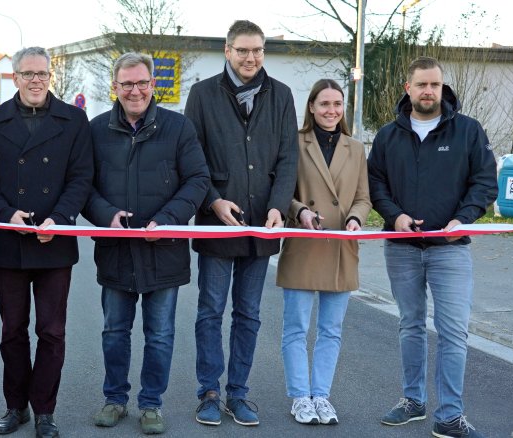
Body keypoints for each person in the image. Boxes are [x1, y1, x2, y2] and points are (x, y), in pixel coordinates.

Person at [368, 56, 497, 438]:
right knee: (410, 325)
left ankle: (450, 416)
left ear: (443, 88)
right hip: (402, 247)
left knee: (453, 332)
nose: (429, 91)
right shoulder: (388, 135)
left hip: (450, 248)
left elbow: (485, 181)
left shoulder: (468, 131)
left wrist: (465, 217)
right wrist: (395, 216)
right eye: (422, 85)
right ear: (408, 89)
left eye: (435, 85)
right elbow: (376, 184)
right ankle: (413, 401)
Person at [0, 46, 94, 438]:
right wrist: (7, 214)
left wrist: (60, 218)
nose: (35, 80)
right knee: (12, 330)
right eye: (28, 74)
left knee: (52, 331)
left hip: (56, 242)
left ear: (50, 76)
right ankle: (15, 406)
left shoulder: (74, 120)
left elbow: (81, 177)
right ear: (16, 78)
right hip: (10, 242)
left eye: (42, 74)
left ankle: (45, 410)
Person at [83, 52, 209, 435]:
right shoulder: (96, 130)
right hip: (117, 250)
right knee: (114, 331)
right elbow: (82, 186)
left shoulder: (178, 127)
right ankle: (115, 399)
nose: (134, 90)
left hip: (164, 248)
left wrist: (168, 219)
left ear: (153, 85)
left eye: (142, 83)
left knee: (160, 334)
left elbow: (198, 181)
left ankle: (151, 404)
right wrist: (107, 215)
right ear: (115, 87)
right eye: (126, 84)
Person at [184, 19, 298, 427]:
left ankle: (239, 394)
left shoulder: (281, 95)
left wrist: (279, 206)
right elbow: (191, 157)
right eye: (243, 50)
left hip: (261, 225)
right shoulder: (201, 94)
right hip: (218, 223)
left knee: (249, 313)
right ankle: (209, 393)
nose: (251, 58)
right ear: (227, 51)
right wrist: (212, 201)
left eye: (258, 50)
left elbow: (288, 158)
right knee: (210, 311)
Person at [275, 79, 371, 426]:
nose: (331, 111)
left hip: (341, 246)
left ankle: (322, 396)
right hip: (304, 242)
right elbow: (281, 190)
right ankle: (301, 396)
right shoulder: (294, 143)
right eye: (324, 104)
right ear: (312, 107)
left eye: (337, 104)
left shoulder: (356, 148)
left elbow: (363, 197)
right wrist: (300, 211)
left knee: (331, 330)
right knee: (296, 328)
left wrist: (357, 219)